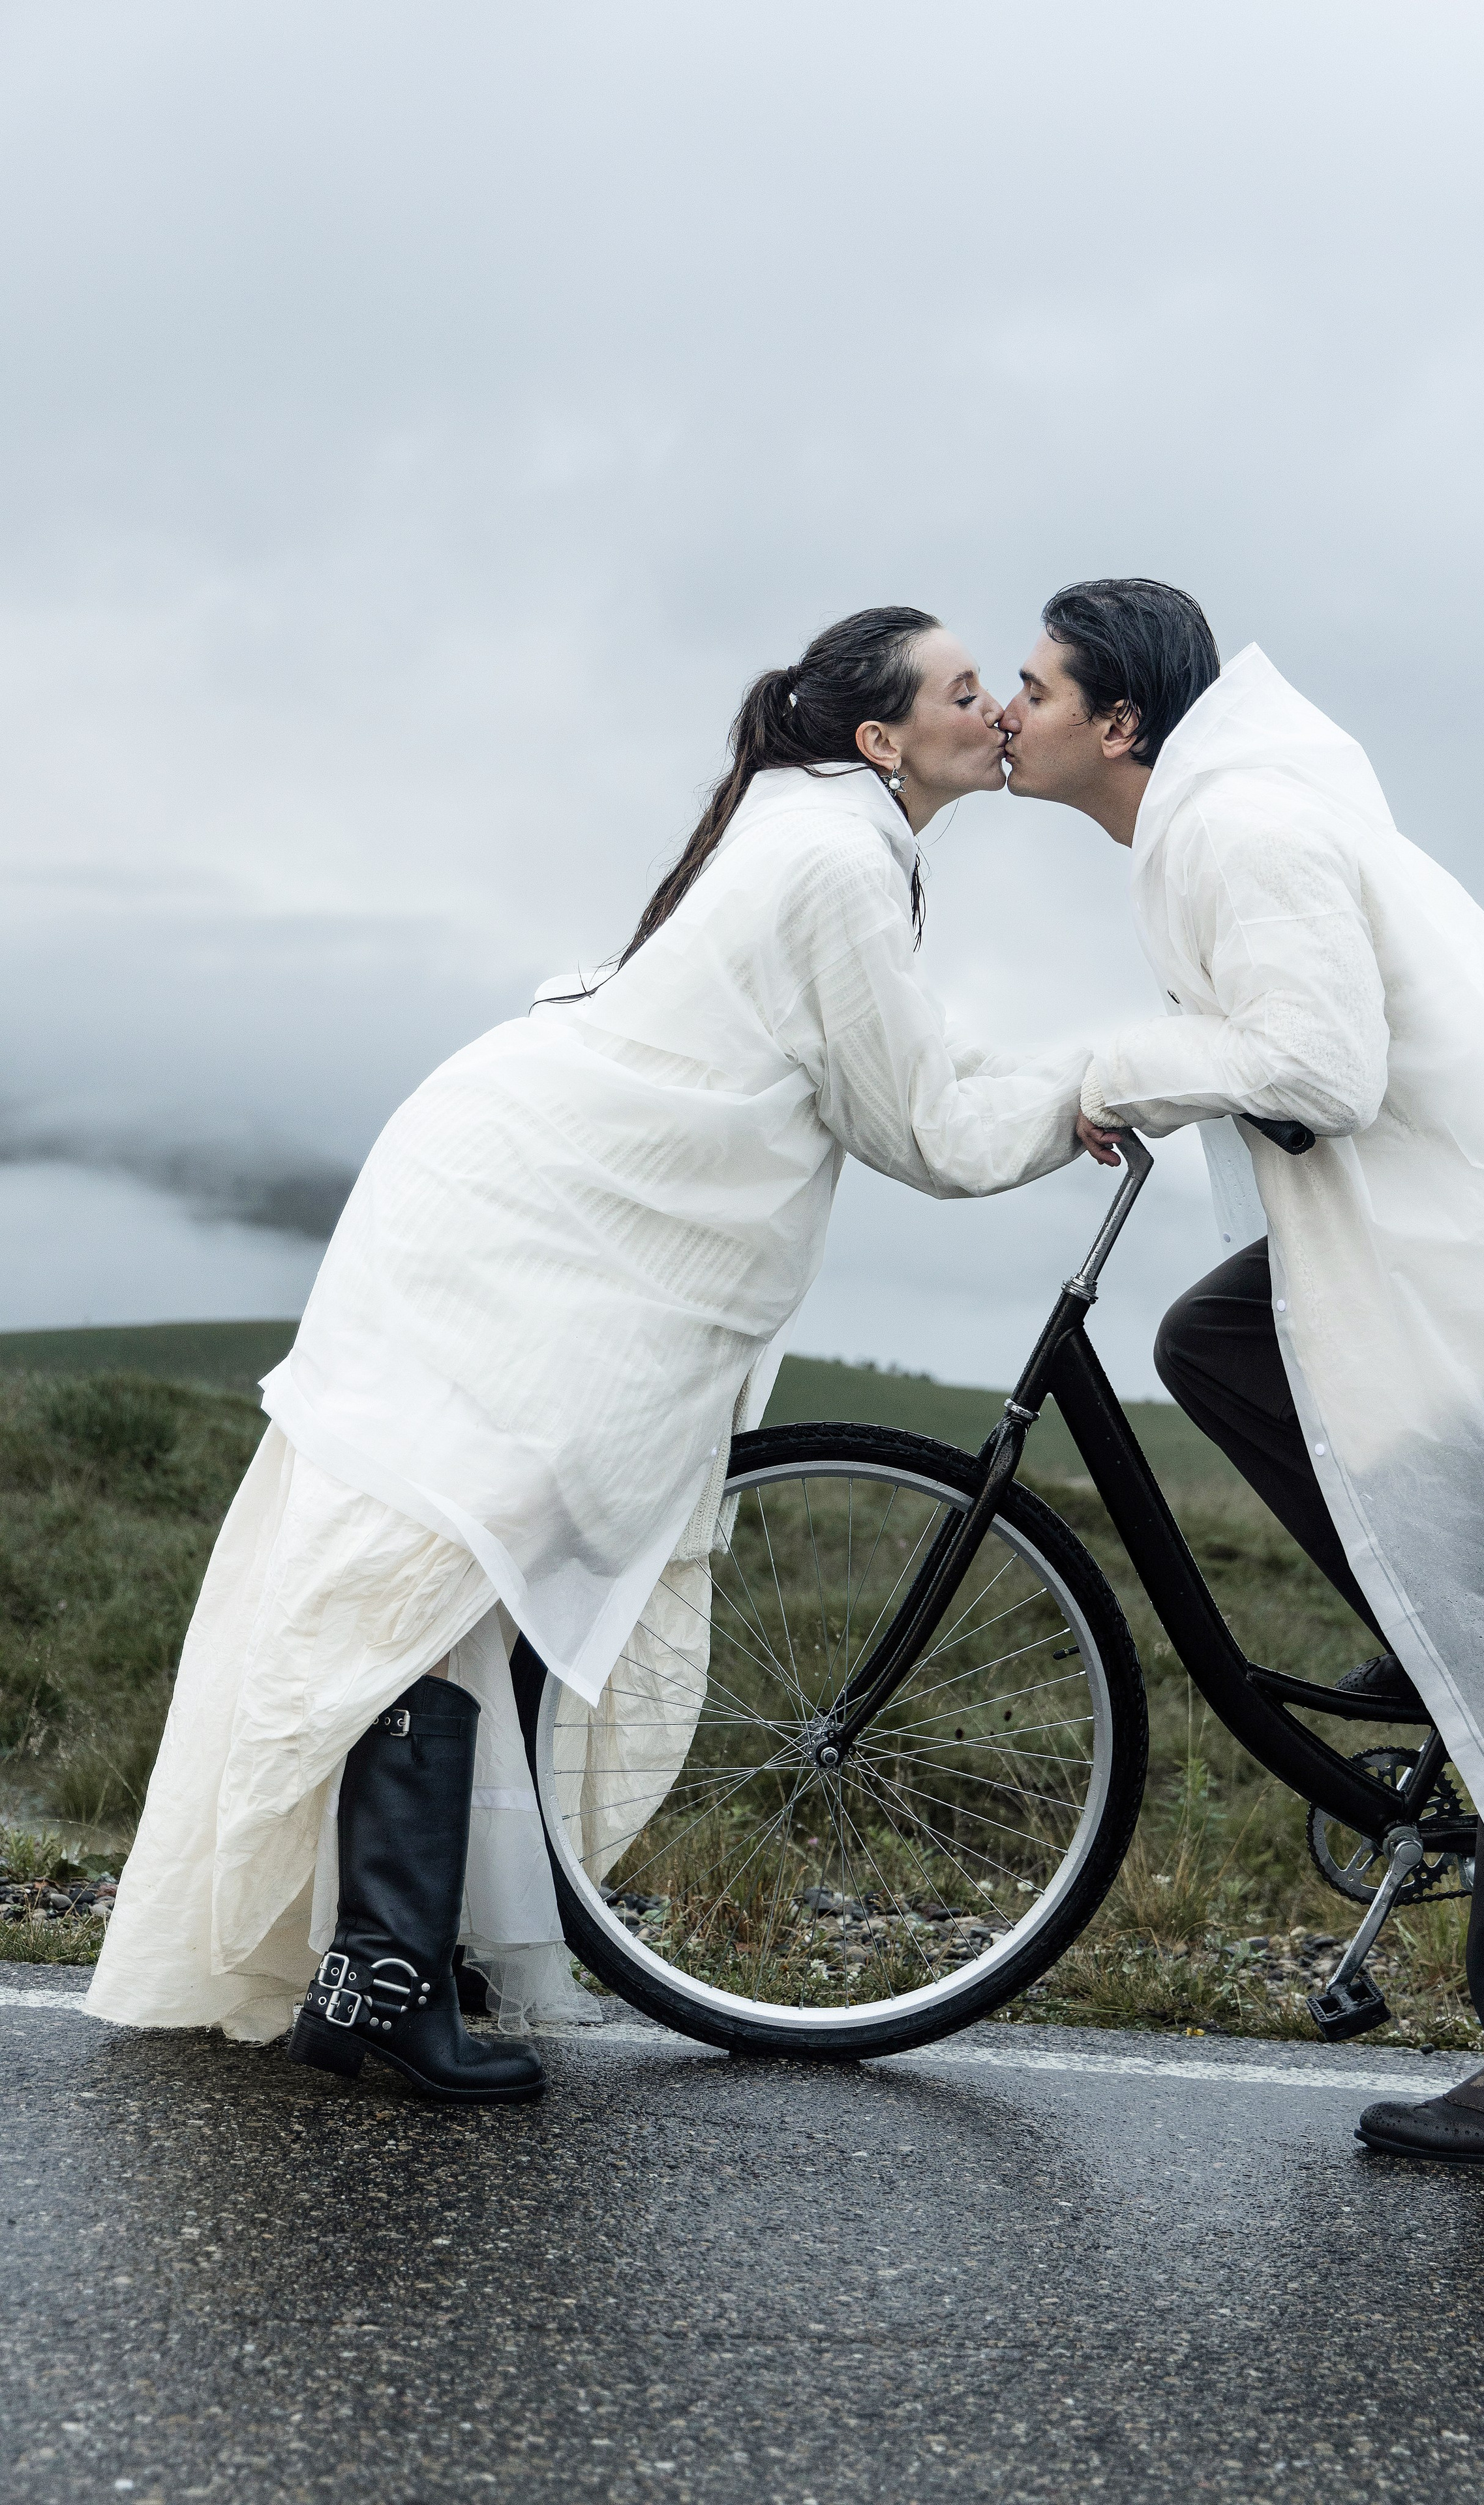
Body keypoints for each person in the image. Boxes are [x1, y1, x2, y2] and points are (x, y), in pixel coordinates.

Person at [88, 606, 1091, 2104]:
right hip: (531, 1233)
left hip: (521, 1204)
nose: (996, 708)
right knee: (437, 1567)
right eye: (965, 690)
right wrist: (1090, 1099)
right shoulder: (837, 854)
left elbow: (901, 1064)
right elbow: (923, 1127)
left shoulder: (823, 826)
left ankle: (391, 1966)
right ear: (881, 737)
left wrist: (1070, 1082)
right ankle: (384, 1982)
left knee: (457, 1568)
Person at [1001, 578, 1484, 2165]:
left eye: (1032, 687)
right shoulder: (1211, 823)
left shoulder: (1242, 826)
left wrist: (1118, 1070)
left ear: (1117, 721)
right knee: (1216, 1342)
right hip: (1468, 1242)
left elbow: (1317, 1062)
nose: (1007, 712)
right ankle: (1433, 1639)